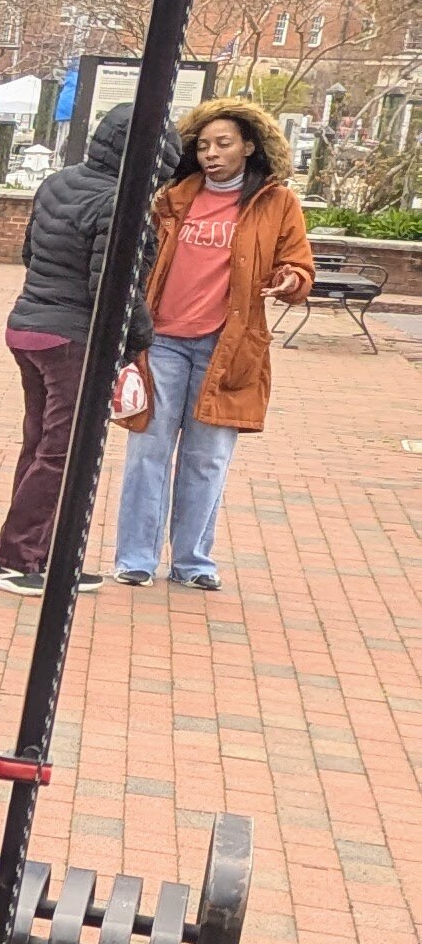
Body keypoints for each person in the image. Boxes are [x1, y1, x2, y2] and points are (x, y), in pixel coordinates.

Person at [114, 95, 315, 593]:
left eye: (223, 143)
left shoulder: (276, 202)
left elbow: (298, 264)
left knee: (207, 459)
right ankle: (136, 557)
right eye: (203, 145)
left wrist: (290, 279)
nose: (211, 153)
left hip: (227, 348)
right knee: (148, 451)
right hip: (161, 343)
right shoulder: (173, 197)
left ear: (249, 146)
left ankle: (193, 561)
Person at [0, 101, 156, 592]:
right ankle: (14, 560)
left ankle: (45, 558)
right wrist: (140, 340)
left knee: (42, 446)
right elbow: (114, 286)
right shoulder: (119, 202)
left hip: (29, 326)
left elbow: (28, 252)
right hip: (70, 338)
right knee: (63, 452)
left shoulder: (58, 182)